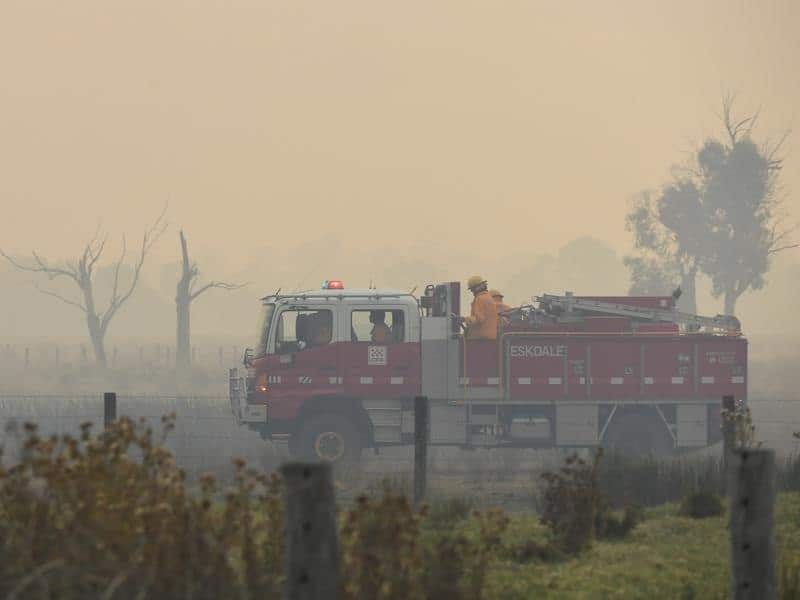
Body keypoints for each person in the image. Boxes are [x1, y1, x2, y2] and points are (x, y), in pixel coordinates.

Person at [463, 275, 498, 340]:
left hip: (480, 338)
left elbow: (479, 319)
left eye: (472, 289)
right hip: (491, 337)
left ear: (477, 288)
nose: (472, 292)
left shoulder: (480, 299)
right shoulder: (489, 298)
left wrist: (464, 319)